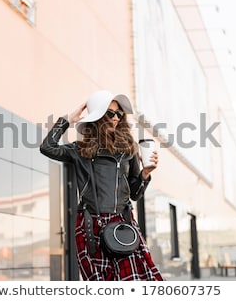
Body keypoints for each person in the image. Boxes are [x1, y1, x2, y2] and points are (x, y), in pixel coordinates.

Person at [40, 90, 163, 281]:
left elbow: (135, 194)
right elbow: (47, 147)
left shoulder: (128, 150)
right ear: (98, 116)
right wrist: (67, 120)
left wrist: (145, 174)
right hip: (91, 225)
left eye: (119, 114)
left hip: (123, 224)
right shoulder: (79, 150)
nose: (116, 118)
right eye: (110, 113)